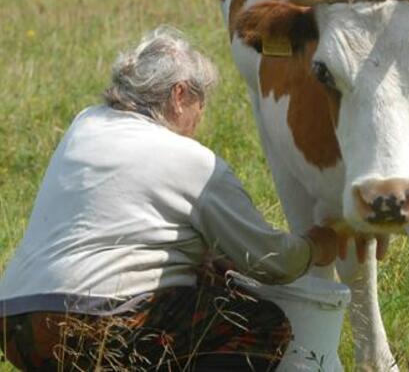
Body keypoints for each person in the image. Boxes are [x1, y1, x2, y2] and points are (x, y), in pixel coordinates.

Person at [0, 27, 339, 371]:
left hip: (16, 322)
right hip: (93, 322)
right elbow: (272, 263)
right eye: (200, 102)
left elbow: (124, 220)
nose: (200, 118)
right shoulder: (193, 162)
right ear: (179, 95)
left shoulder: (84, 125)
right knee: (258, 325)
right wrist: (316, 246)